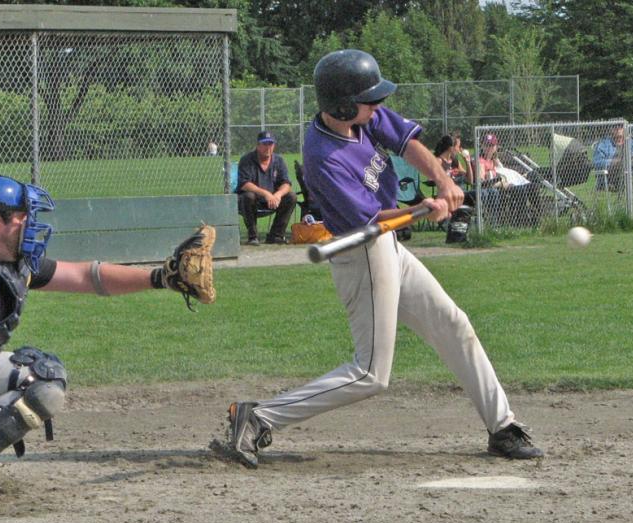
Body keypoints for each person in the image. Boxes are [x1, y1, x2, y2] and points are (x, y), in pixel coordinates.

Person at [225, 49, 543, 468]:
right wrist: (422, 210)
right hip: (362, 252)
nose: (377, 105)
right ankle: (259, 416)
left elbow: (407, 143)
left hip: (386, 246)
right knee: (371, 373)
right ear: (341, 104)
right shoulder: (326, 156)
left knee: (452, 323)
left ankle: (502, 426)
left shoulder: (361, 116)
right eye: (368, 99)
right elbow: (372, 220)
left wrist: (444, 179)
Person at [0, 175, 214, 505]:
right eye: (22, 216)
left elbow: (85, 277)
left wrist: (161, 278)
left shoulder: (2, 262)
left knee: (33, 370)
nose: (30, 224)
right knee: (39, 375)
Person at [236, 130, 297, 245]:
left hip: (272, 201)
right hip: (250, 201)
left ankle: (276, 235)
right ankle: (253, 237)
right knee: (248, 196)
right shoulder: (247, 160)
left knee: (291, 196)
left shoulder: (278, 160)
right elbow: (244, 184)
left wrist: (277, 195)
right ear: (258, 145)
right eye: (264, 144)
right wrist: (266, 194)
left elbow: (286, 183)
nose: (268, 147)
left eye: (271, 144)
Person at [592, 124, 633, 191]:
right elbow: (596, 163)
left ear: (625, 128)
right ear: (610, 129)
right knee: (631, 159)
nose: (618, 128)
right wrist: (614, 162)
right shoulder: (603, 144)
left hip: (631, 175)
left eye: (620, 126)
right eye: (615, 126)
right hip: (611, 177)